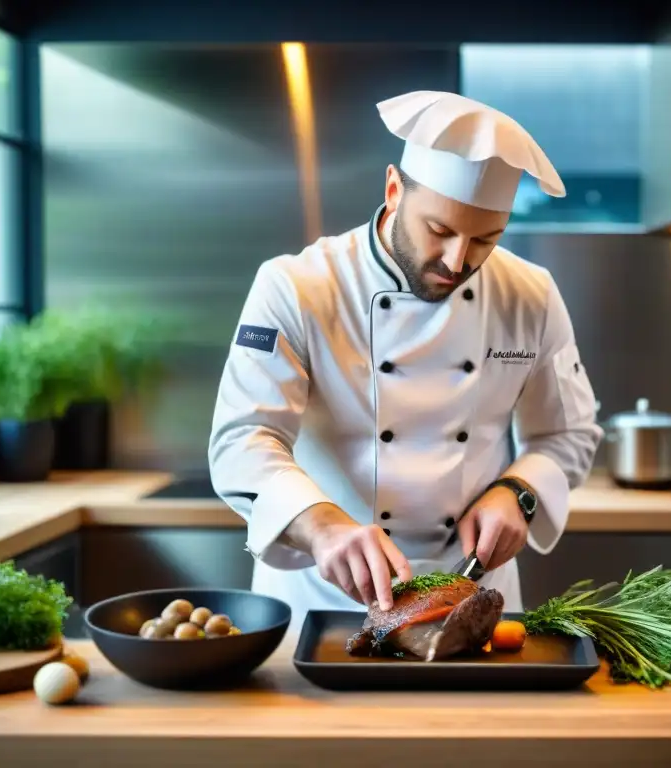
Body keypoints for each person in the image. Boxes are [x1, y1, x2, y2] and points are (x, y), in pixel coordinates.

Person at [208, 90, 602, 628]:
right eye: (438, 230)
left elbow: (570, 434)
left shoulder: (530, 294)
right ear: (394, 190)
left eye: (485, 239)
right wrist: (321, 525)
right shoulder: (297, 286)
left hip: (473, 601)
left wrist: (520, 494)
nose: (457, 260)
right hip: (323, 603)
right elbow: (242, 439)